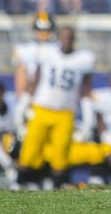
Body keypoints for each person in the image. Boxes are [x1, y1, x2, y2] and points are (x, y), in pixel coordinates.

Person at [17, 27, 94, 188]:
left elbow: (85, 91)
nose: (67, 41)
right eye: (64, 37)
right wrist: (22, 107)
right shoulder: (47, 53)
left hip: (65, 113)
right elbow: (35, 81)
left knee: (61, 157)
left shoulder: (83, 60)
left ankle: (57, 190)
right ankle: (18, 185)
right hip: (42, 108)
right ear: (58, 38)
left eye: (70, 38)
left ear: (74, 40)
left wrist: (88, 119)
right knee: (29, 151)